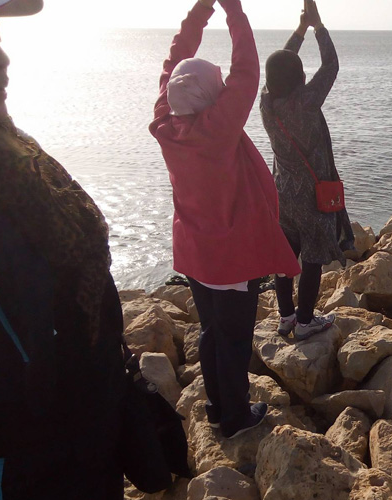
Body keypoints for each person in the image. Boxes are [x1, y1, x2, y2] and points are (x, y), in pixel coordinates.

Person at [0, 0, 134, 498]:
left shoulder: (10, 150)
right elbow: (17, 352)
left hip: (84, 435)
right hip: (16, 459)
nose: (1, 57)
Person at [150, 0, 300, 437]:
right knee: (233, 340)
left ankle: (218, 407)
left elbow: (173, 65)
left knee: (212, 332)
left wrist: (200, 11)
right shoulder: (217, 130)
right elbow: (247, 70)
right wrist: (231, 8)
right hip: (230, 258)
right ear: (208, 96)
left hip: (196, 253)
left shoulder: (165, 125)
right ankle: (235, 418)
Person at [260, 0, 349, 340]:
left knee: (286, 257)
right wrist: (318, 26)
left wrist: (299, 30)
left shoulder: (266, 102)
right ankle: (306, 320)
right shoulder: (306, 101)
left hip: (282, 192)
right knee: (312, 258)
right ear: (300, 77)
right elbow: (331, 65)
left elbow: (278, 66)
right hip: (313, 197)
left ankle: (286, 318)